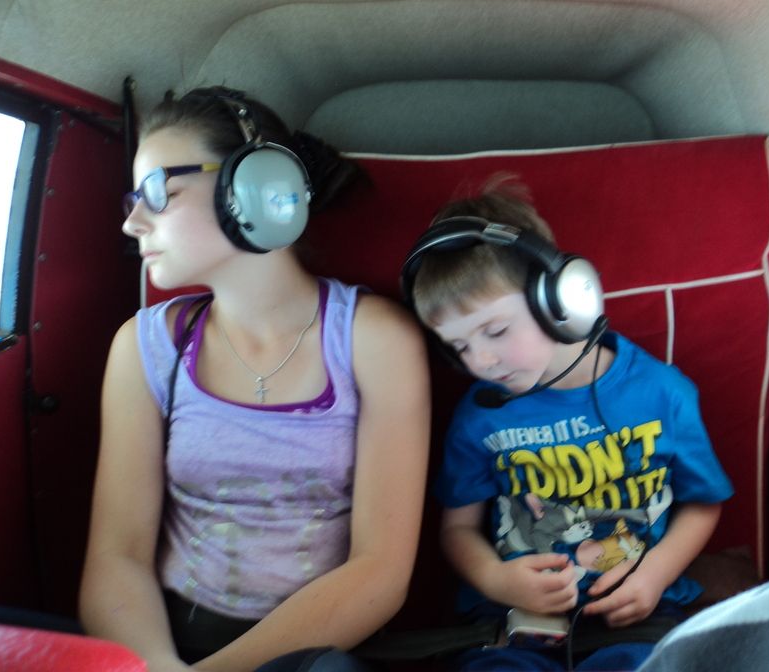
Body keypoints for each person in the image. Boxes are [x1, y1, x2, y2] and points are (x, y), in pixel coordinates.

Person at [79, 86, 430, 672]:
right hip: (166, 644)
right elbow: (117, 557)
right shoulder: (143, 347)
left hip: (314, 651)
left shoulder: (375, 340)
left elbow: (380, 572)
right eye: (133, 198)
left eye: (158, 192)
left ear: (258, 185)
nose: (132, 222)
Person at [400, 178, 733, 671]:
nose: (481, 361)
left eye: (496, 330)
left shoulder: (663, 393)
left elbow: (703, 503)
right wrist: (496, 579)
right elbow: (458, 527)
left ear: (560, 301)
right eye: (460, 346)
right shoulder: (481, 412)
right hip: (514, 623)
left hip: (631, 616)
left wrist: (656, 573)